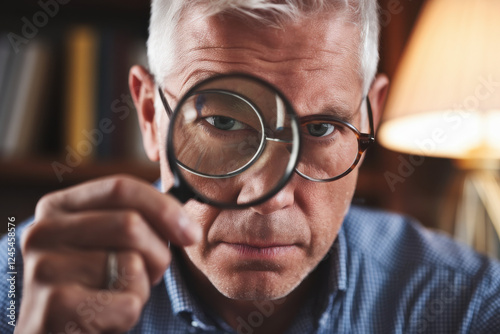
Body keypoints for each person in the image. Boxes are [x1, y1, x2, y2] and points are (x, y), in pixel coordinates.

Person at [2, 0, 500, 333]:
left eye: (322, 128)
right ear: (151, 115)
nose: (266, 192)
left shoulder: (467, 303)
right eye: (221, 121)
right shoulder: (19, 287)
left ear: (373, 112)